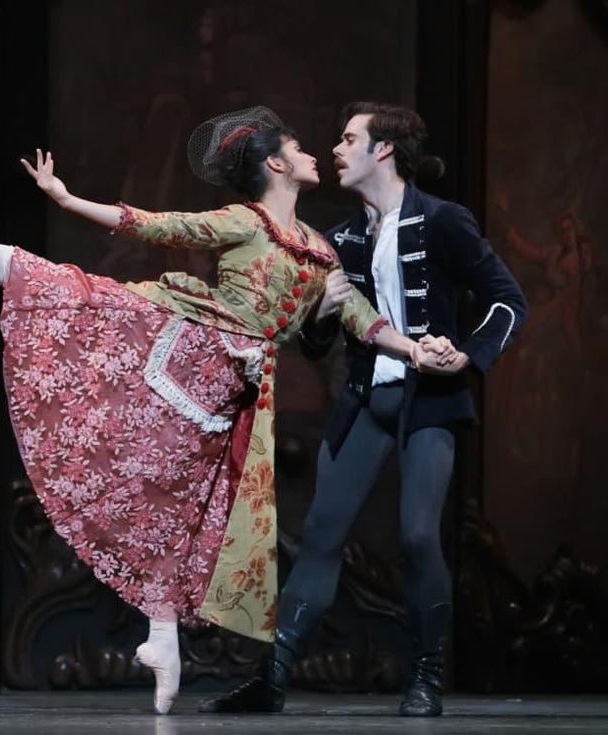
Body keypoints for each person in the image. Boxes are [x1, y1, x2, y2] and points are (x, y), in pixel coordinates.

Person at [0, 106, 453, 715]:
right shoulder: (243, 223)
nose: (314, 155)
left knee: (187, 502)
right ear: (277, 163)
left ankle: (163, 639)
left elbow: (363, 319)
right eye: (300, 148)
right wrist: (66, 201)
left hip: (234, 391)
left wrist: (416, 349)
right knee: (65, 287)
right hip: (189, 342)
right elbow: (157, 225)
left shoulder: (321, 253)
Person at [200, 102, 528, 717]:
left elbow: (509, 301)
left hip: (429, 404)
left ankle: (427, 677)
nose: (337, 149)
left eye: (349, 139)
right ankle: (272, 679)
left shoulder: (443, 221)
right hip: (365, 402)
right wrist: (322, 317)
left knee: (416, 533)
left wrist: (468, 353)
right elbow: (323, 342)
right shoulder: (341, 240)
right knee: (321, 536)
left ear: (383, 150)